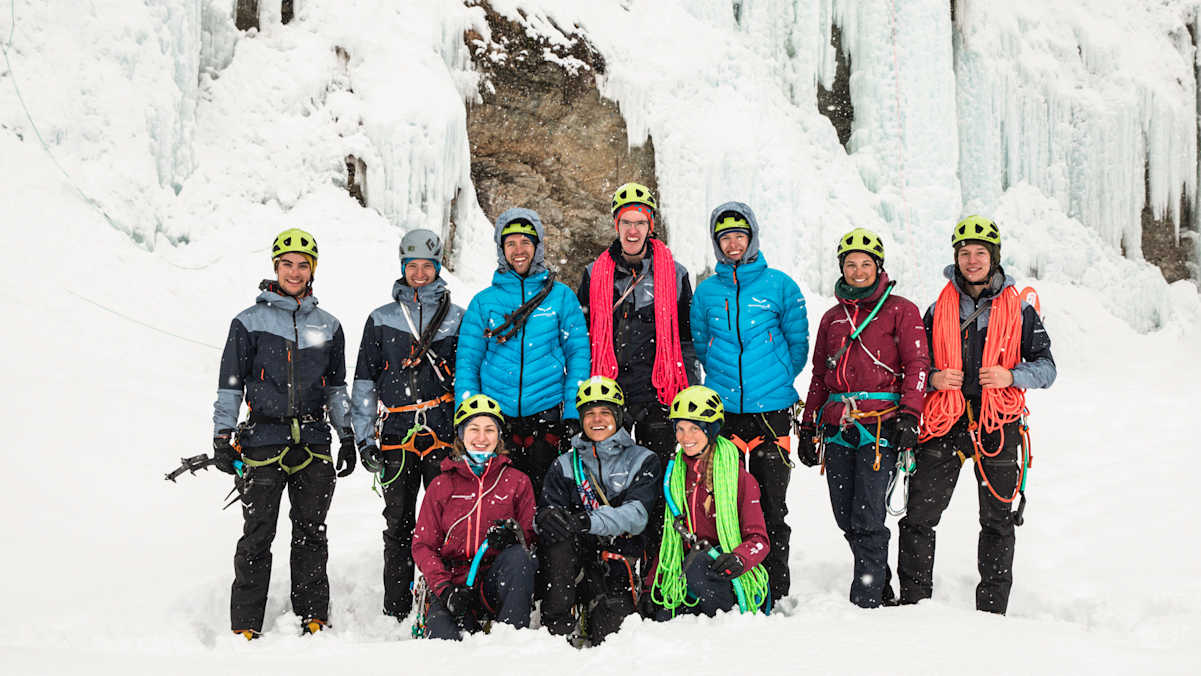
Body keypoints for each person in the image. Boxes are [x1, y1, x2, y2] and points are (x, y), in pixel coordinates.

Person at [898, 216, 1056, 614]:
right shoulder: (937, 310)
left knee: (998, 520)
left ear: (994, 258)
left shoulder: (1020, 311)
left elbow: (1047, 368)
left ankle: (992, 611)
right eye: (965, 254)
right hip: (944, 422)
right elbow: (916, 365)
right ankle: (915, 603)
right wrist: (934, 377)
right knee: (919, 517)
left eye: (980, 254)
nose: (972, 261)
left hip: (998, 424)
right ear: (956, 258)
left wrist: (1010, 375)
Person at [211, 228, 356, 639]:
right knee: (258, 534)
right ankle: (245, 623)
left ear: (313, 270)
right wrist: (223, 435)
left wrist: (346, 435)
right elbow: (230, 385)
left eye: (303, 264)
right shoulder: (248, 322)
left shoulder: (329, 326)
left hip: (313, 443)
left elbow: (334, 389)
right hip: (262, 442)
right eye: (288, 263)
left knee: (311, 532)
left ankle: (312, 613)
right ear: (276, 267)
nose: (295, 271)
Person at [797, 228, 929, 609]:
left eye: (865, 264)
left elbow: (918, 364)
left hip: (881, 425)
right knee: (846, 516)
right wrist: (808, 426)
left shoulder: (901, 310)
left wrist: (909, 414)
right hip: (838, 425)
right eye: (851, 264)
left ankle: (866, 599)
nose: (858, 271)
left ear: (878, 267)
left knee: (869, 515)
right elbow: (820, 377)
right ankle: (880, 582)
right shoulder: (832, 318)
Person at [690, 201, 808, 603]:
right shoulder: (706, 292)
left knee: (772, 503)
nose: (734, 243)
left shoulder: (780, 286)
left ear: (752, 237)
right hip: (722, 411)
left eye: (740, 236)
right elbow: (701, 344)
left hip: (771, 411)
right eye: (726, 238)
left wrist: (774, 377)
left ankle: (774, 587)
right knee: (724, 500)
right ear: (717, 244)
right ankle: (733, 584)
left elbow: (797, 346)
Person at [350, 228, 464, 620]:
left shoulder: (456, 318)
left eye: (427, 266)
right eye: (412, 266)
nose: (419, 273)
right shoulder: (380, 320)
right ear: (403, 267)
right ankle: (395, 605)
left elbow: (467, 380)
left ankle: (439, 600)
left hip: (442, 430)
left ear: (437, 267)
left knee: (444, 521)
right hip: (396, 433)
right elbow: (364, 381)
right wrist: (363, 437)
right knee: (398, 520)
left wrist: (465, 435)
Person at [455, 208, 590, 495]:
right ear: (502, 249)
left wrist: (573, 414)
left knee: (546, 497)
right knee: (498, 498)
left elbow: (578, 354)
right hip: (497, 418)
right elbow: (468, 363)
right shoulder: (483, 302)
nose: (519, 250)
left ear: (537, 247)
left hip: (547, 418)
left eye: (526, 242)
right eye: (511, 243)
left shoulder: (561, 297)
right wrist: (467, 416)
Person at [577, 182, 699, 463]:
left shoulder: (675, 275)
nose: (633, 231)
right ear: (616, 225)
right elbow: (582, 338)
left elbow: (686, 339)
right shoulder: (594, 274)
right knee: (608, 475)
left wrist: (688, 394)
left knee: (657, 475)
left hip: (657, 393)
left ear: (650, 224)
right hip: (608, 390)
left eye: (640, 222)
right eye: (627, 222)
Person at [537, 377, 660, 644]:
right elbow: (548, 515)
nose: (597, 420)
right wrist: (547, 518)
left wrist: (586, 521)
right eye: (589, 413)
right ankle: (555, 629)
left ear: (617, 416)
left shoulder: (642, 459)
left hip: (617, 564)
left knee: (611, 638)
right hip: (572, 565)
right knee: (556, 543)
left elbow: (636, 516)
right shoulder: (564, 465)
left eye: (605, 412)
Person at [411, 394, 538, 640]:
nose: (482, 438)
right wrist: (445, 589)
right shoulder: (441, 485)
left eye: (490, 430)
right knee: (443, 646)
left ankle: (510, 642)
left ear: (499, 436)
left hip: (494, 583)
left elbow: (530, 538)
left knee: (519, 558)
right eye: (474, 429)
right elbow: (423, 545)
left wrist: (514, 537)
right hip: (452, 583)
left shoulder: (517, 482)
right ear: (461, 434)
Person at [642, 386, 771, 619]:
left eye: (694, 429)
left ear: (710, 431)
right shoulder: (675, 477)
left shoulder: (738, 478)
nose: (685, 437)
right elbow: (668, 544)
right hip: (687, 578)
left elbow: (759, 540)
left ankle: (725, 629)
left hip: (726, 573)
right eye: (680, 429)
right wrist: (651, 585)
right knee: (659, 619)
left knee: (700, 563)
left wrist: (739, 559)